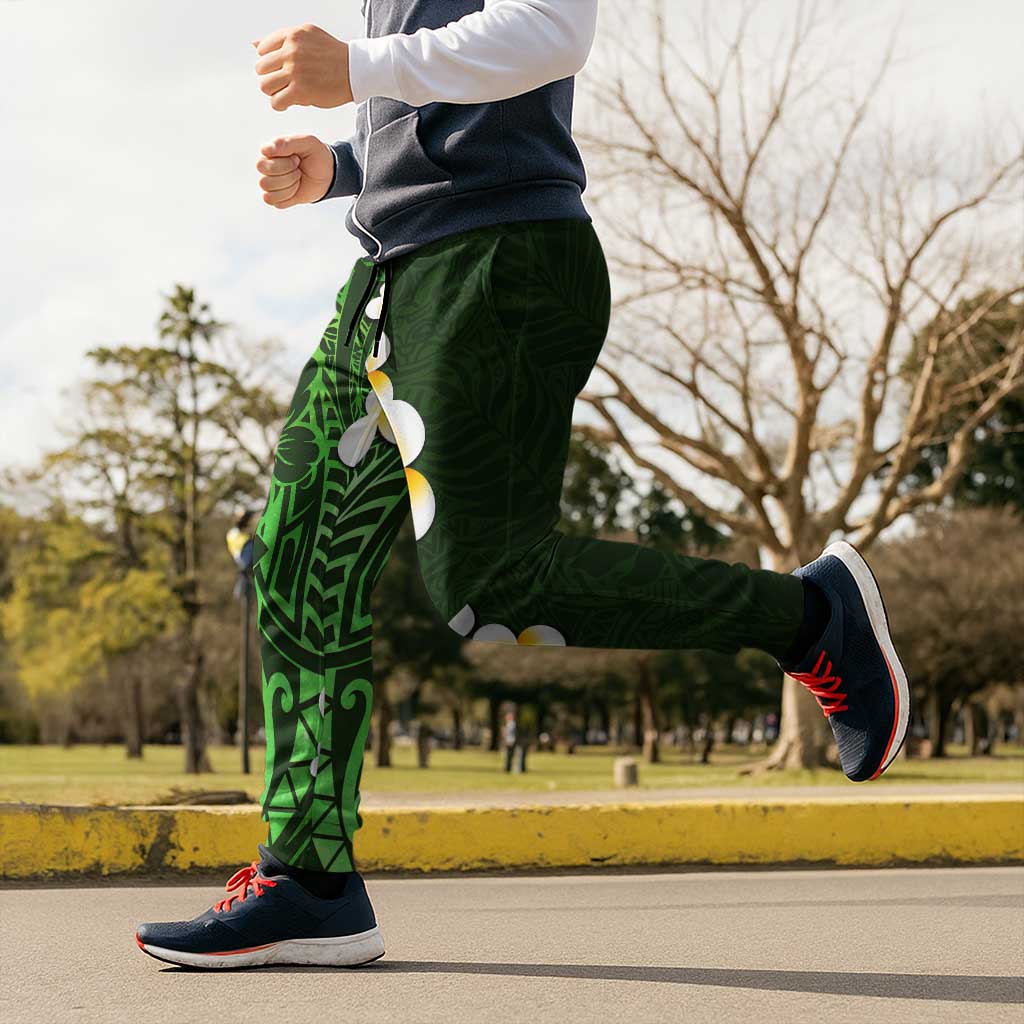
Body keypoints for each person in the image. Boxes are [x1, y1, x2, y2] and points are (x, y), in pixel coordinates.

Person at [135, 0, 910, 969]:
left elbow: (552, 30)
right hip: (388, 276)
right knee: (292, 566)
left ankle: (809, 617)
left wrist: (360, 66)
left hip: (493, 262)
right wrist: (345, 165)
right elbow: (446, 110)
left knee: (490, 587)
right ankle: (309, 880)